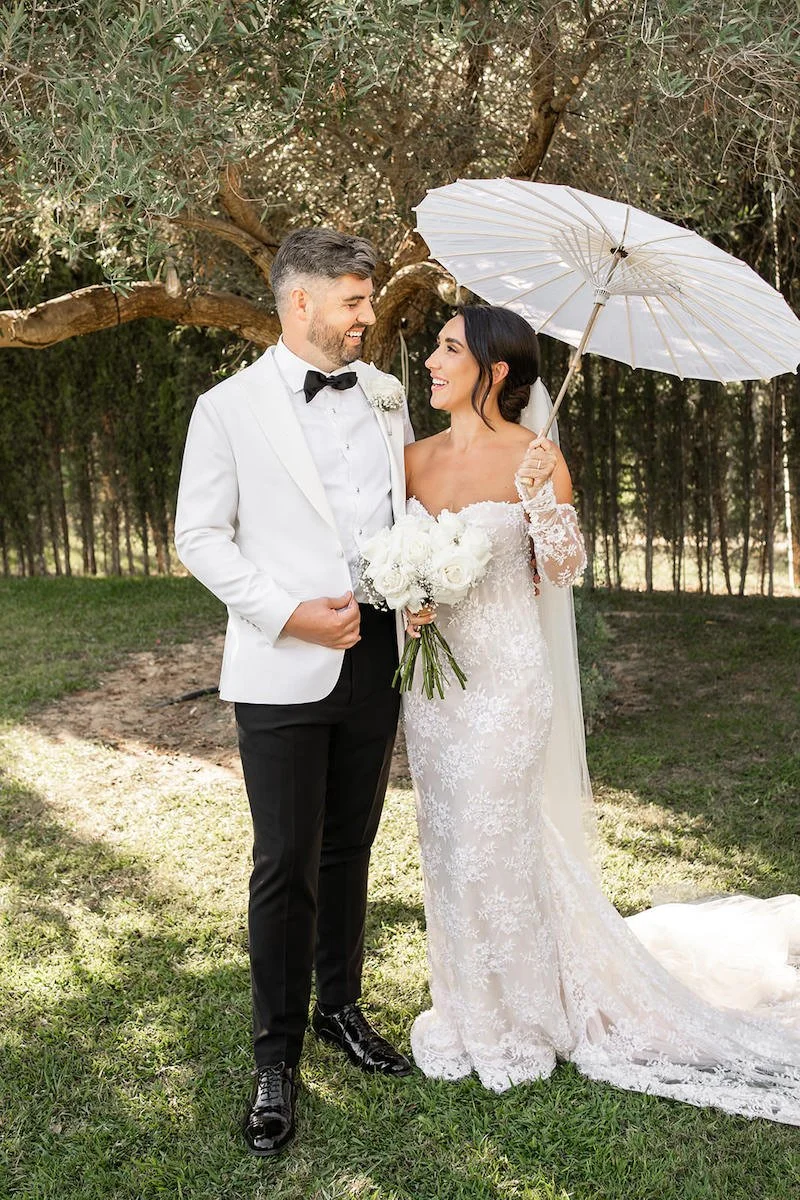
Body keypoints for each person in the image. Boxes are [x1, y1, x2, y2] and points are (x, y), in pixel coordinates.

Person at [402, 303, 800, 1124]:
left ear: (494, 370)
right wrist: (412, 600)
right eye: (436, 348)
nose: (431, 362)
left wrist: (542, 501)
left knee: (492, 836)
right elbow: (399, 563)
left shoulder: (538, 457)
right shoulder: (410, 459)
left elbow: (561, 571)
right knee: (449, 843)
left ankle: (527, 1016)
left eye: (447, 349)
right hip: (435, 693)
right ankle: (468, 1004)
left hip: (508, 682)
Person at [175, 228, 415, 1157]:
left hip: (378, 649)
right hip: (281, 662)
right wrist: (288, 615)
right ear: (301, 302)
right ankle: (274, 1058)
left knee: (350, 841)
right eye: (353, 301)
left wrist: (417, 581)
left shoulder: (386, 396)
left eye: (369, 300)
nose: (367, 316)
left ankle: (339, 1006)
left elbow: (400, 510)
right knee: (285, 858)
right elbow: (200, 536)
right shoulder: (227, 409)